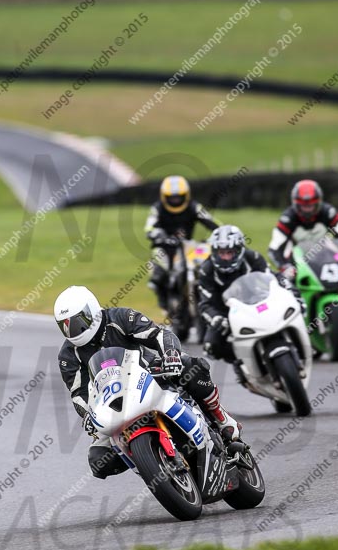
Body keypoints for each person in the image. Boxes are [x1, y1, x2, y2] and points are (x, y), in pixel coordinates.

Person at [54, 285, 241, 480]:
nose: (71, 330)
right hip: (114, 402)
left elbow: (159, 334)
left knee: (191, 366)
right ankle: (152, 464)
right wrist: (87, 415)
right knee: (99, 461)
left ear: (91, 311)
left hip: (152, 376)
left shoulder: (120, 317)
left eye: (75, 323)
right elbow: (78, 394)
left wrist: (170, 354)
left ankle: (221, 419)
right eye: (64, 325)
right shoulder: (68, 355)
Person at [198, 225, 272, 384]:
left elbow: (274, 279)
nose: (225, 257)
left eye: (229, 252)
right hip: (226, 314)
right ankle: (240, 362)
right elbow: (204, 304)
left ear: (239, 250)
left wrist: (288, 291)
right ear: (214, 251)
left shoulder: (254, 258)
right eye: (221, 253)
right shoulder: (206, 269)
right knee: (211, 346)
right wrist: (215, 318)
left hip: (256, 304)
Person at [145, 175, 218, 309]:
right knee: (159, 270)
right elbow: (149, 228)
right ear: (164, 196)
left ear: (186, 195)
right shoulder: (158, 208)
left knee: (205, 264)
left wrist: (220, 232)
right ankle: (163, 297)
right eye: (172, 197)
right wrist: (157, 234)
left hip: (188, 246)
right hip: (164, 246)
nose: (175, 200)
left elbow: (212, 223)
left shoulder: (194, 207)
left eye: (179, 197)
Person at [268, 179, 338, 279]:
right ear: (296, 204)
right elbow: (274, 250)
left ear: (318, 202)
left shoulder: (328, 212)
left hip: (327, 260)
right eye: (304, 206)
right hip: (297, 264)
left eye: (311, 206)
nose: (307, 210)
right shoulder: (287, 218)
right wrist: (285, 267)